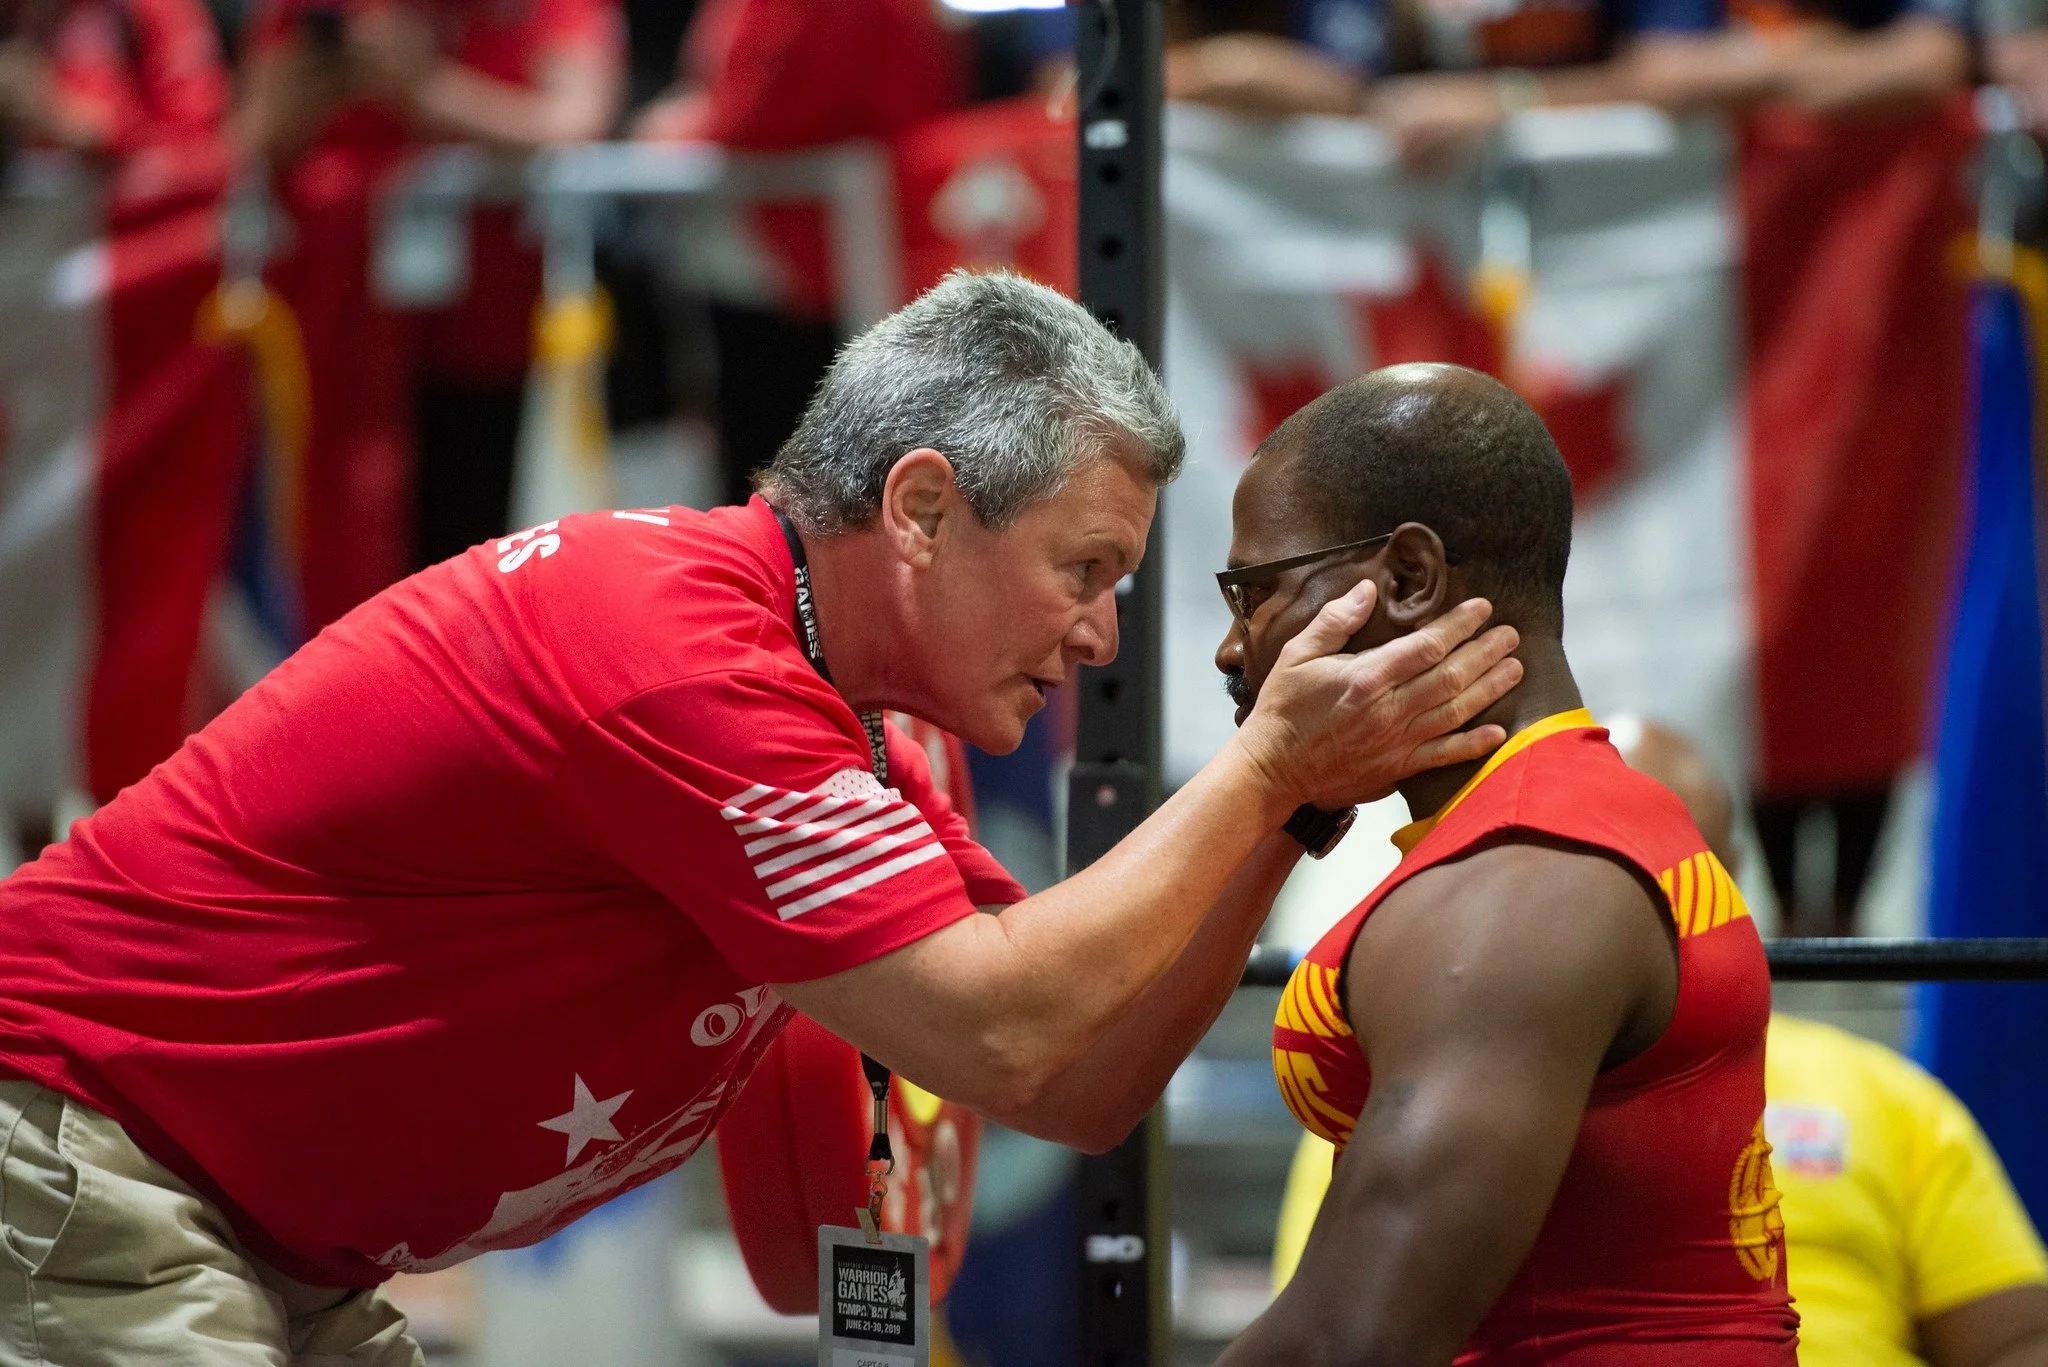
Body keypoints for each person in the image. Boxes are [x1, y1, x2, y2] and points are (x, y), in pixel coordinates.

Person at [0, 272, 1524, 1362]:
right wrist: (1264, 767)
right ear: (922, 509)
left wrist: (1296, 805)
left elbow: (1073, 1080)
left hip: (247, 1220)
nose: (1103, 638)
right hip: (85, 1150)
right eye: (1085, 569)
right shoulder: (676, 658)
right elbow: (1004, 1031)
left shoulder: (843, 715)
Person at [1219, 363, 1796, 1364]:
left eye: (1255, 591)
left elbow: (1349, 1340)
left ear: (1404, 578)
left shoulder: (1519, 884)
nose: (1231, 647)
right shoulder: (1590, 816)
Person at [1276, 717, 2048, 1367]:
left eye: (1668, 858)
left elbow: (2018, 1334)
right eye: (1573, 866)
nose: (1618, 902)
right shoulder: (1393, 1090)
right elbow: (1345, 1328)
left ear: (1730, 876)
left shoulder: (1887, 1095)